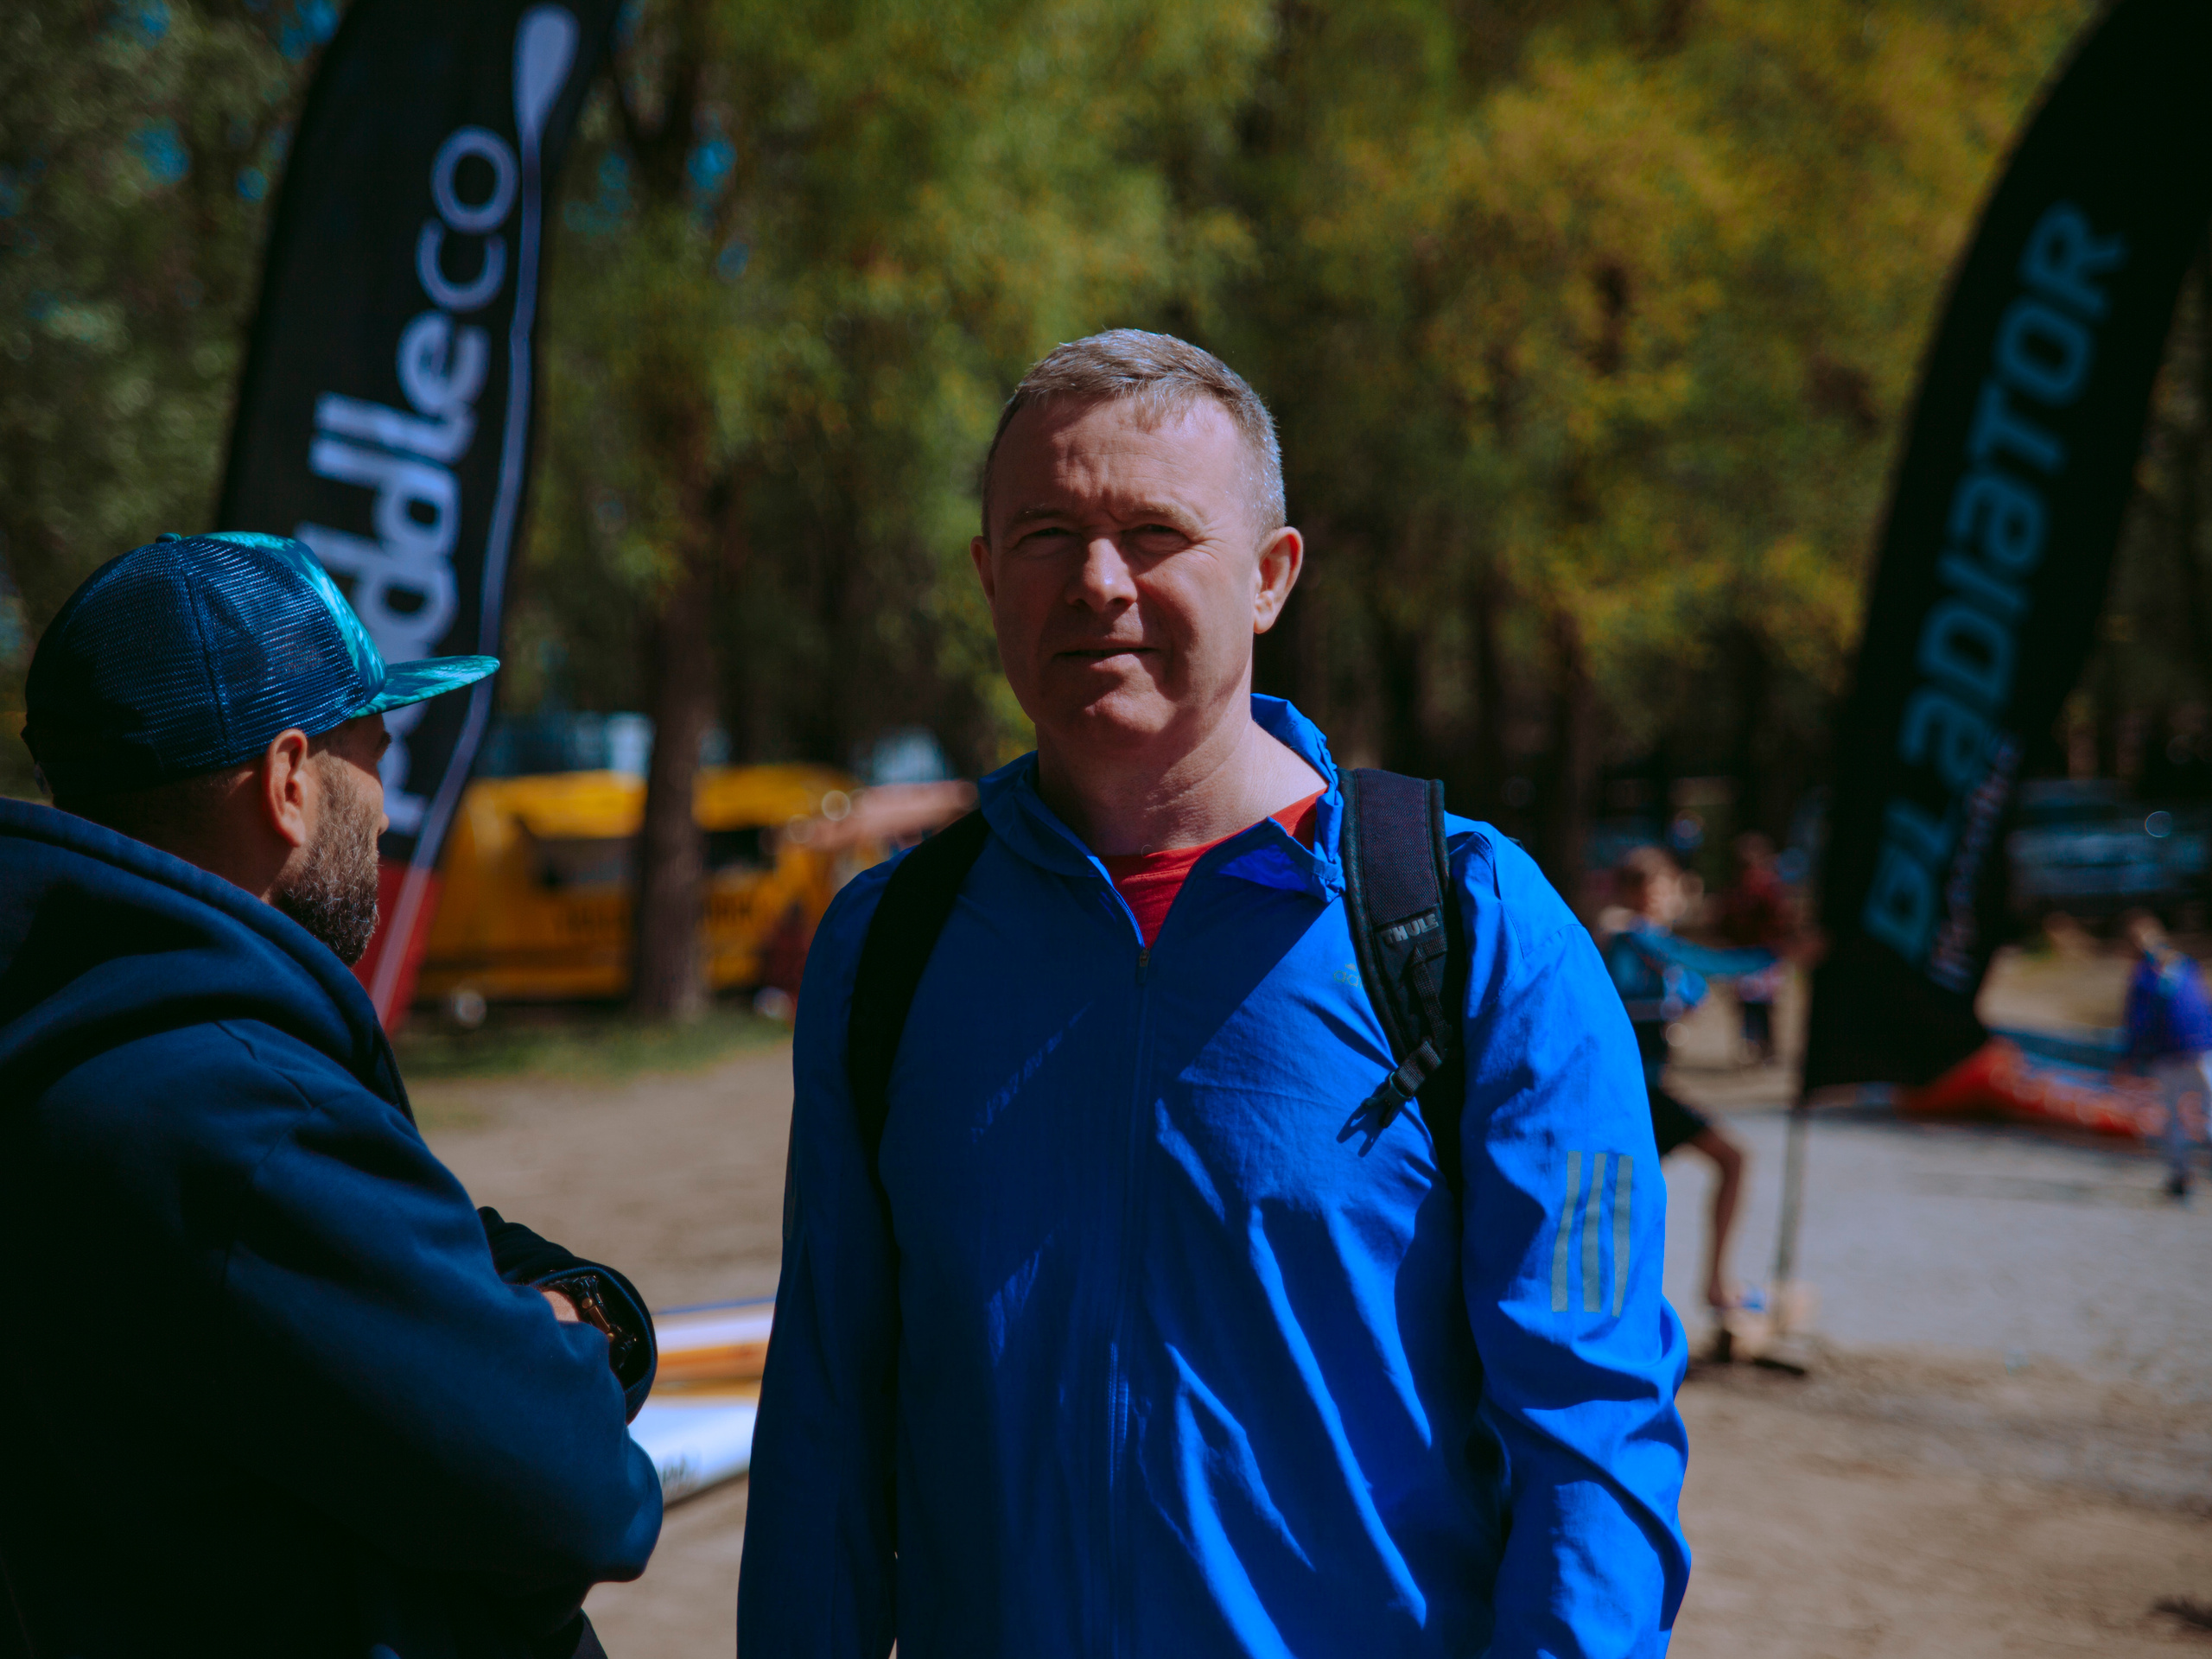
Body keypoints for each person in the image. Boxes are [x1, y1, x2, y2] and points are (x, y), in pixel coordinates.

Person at [740, 332, 1688, 1657]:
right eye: (1046, 534)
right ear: (986, 578)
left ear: (1269, 577)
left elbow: (1595, 1436)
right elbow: (825, 1431)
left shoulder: (1471, 928)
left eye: (1155, 533)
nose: (1096, 583)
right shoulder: (888, 948)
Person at [0, 533, 663, 1659]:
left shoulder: (67, 1052)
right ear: (289, 783)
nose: (389, 807)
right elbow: (588, 1492)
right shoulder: (228, 1114)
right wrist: (575, 1324)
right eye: (379, 753)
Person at [1603, 844, 1767, 1315]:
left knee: (1633, 1198)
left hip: (1643, 1091)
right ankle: (1715, 1287)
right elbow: (1706, 966)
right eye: (1656, 888)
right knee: (1731, 1160)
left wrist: (1680, 1001)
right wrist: (1777, 955)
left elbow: (1687, 985)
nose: (1663, 897)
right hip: (1639, 1093)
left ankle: (1672, 1295)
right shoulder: (1632, 938)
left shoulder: (1642, 946)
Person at [2120, 909, 2212, 1200]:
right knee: (2207, 1105)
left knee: (2172, 1115)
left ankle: (2180, 1176)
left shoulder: (2144, 977)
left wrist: (2130, 1058)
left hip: (2168, 1054)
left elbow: (2139, 1023)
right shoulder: (2186, 966)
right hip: (2201, 1048)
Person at [1718, 831, 1792, 1065]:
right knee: (1744, 1005)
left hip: (1764, 956)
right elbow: (1725, 923)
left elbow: (1781, 921)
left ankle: (1769, 1047)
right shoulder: (1734, 892)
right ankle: (1748, 1045)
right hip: (1741, 957)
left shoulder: (1770, 890)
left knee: (1766, 1006)